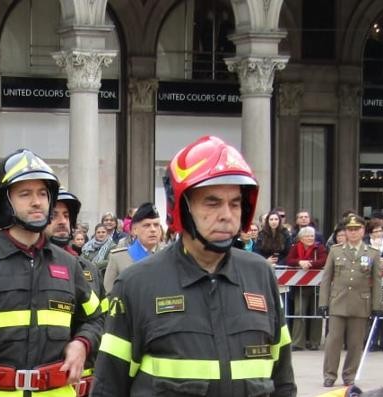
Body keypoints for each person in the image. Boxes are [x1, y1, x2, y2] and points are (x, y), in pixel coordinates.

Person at [93, 135, 295, 396]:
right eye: (212, 202)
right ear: (181, 208)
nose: (226, 214)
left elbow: (283, 383)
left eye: (235, 203)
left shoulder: (261, 275)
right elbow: (108, 388)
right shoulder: (136, 284)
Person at [0, 149, 103, 397]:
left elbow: (96, 319)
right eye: (25, 194)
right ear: (5, 202)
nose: (37, 202)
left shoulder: (69, 266)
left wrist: (82, 343)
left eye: (42, 194)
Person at [44, 187, 104, 396]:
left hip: (86, 380)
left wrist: (83, 343)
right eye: (54, 216)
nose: (62, 221)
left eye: (66, 215)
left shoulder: (89, 269)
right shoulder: (32, 266)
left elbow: (100, 319)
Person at [319, 215, 383, 387]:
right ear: (345, 232)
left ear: (363, 231)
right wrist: (323, 302)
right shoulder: (336, 250)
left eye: (357, 229)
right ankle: (329, 375)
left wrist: (377, 305)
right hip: (338, 302)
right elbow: (326, 278)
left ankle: (349, 375)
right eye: (350, 230)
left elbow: (377, 282)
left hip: (360, 303)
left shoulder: (372, 253)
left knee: (355, 343)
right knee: (333, 341)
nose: (353, 233)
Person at [104, 203, 161, 293]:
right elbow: (110, 293)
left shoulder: (170, 255)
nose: (153, 229)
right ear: (135, 230)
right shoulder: (118, 258)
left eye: (156, 225)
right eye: (147, 225)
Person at [285, 226, 327, 351]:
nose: (310, 238)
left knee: (316, 313)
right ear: (301, 238)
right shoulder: (295, 248)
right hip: (301, 286)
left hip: (316, 285)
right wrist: (299, 262)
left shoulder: (319, 248)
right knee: (299, 312)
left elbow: (323, 260)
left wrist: (309, 263)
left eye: (312, 236)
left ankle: (314, 342)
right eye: (307, 236)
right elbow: (289, 260)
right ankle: (298, 342)